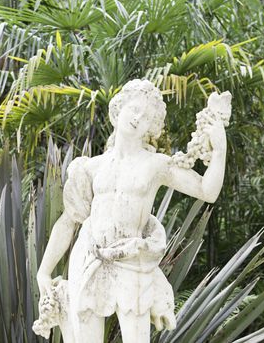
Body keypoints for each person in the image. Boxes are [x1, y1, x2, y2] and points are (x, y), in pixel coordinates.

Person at [34, 79, 228, 343]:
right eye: (134, 109)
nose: (138, 118)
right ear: (118, 109)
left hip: (132, 261)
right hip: (90, 258)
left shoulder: (155, 165)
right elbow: (68, 222)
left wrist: (220, 150)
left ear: (152, 128)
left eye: (147, 117)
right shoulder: (91, 167)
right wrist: (44, 271)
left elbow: (208, 191)